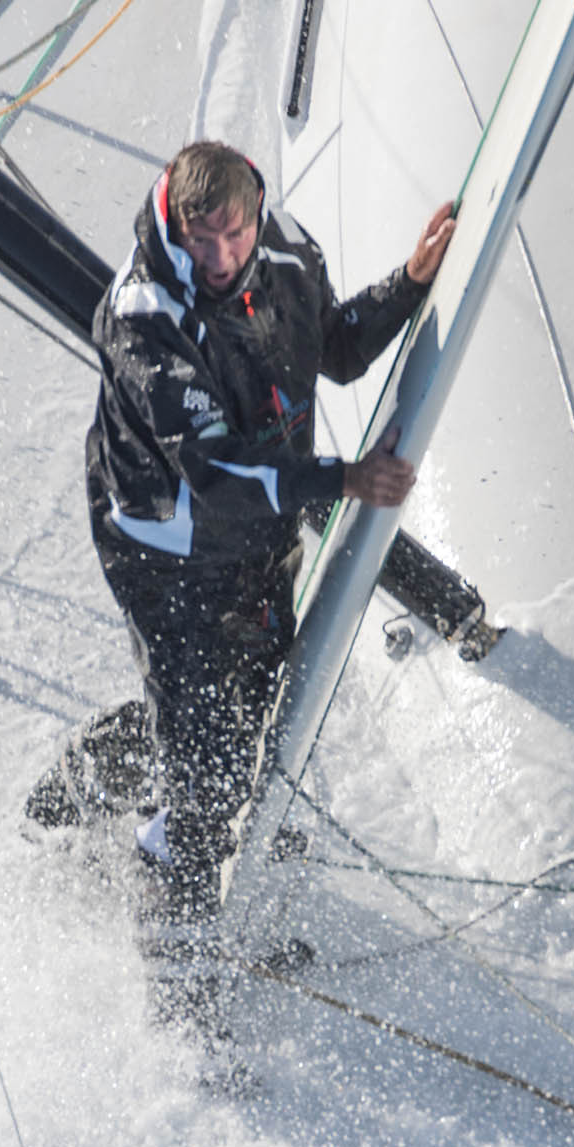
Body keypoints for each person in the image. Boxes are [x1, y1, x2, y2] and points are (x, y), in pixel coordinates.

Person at [83, 140, 455, 917]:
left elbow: (342, 350)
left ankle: (110, 767)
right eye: (201, 239)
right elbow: (214, 475)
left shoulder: (283, 250)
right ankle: (178, 945)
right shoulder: (145, 315)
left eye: (235, 235)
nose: (221, 257)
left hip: (257, 529)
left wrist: (410, 283)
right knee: (209, 771)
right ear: (176, 226)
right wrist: (343, 480)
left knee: (244, 714)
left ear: (254, 213)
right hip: (168, 551)